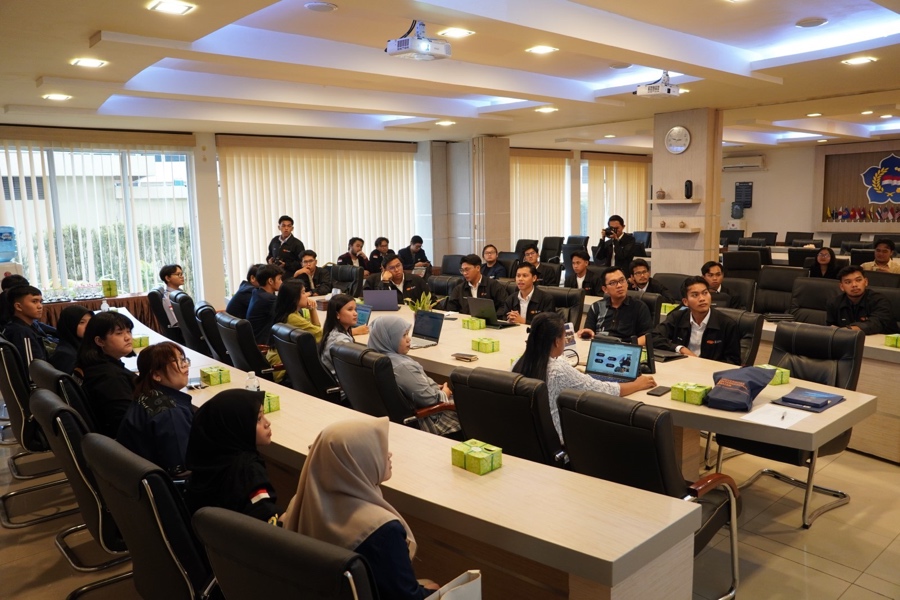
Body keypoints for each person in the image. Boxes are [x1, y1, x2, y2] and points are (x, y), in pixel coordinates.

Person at [282, 418, 440, 600]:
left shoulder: (300, 503)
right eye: (379, 449)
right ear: (357, 460)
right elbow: (406, 597)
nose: (389, 454)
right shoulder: (382, 529)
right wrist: (433, 591)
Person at [513, 312, 655, 444]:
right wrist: (638, 384)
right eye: (564, 337)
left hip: (528, 441)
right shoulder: (558, 370)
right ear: (557, 341)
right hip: (559, 443)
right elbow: (603, 390)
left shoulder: (519, 363)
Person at [185, 389, 280, 522]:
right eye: (258, 419)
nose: (267, 422)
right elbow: (268, 520)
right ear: (236, 426)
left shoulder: (205, 462)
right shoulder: (248, 469)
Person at [367, 317, 461, 436]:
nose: (409, 339)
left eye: (408, 334)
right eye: (403, 335)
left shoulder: (374, 358)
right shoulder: (403, 367)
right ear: (389, 338)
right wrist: (445, 393)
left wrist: (427, 385)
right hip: (431, 419)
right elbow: (430, 400)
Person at [116, 342, 192, 476]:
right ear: (156, 375)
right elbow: (182, 469)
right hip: (168, 482)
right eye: (177, 361)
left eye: (183, 359)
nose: (185, 365)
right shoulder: (170, 413)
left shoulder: (146, 395)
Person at [652, 276, 742, 365]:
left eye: (705, 293)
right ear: (685, 302)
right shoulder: (677, 317)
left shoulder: (727, 324)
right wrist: (680, 349)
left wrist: (705, 365)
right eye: (695, 295)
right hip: (682, 367)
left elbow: (733, 362)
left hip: (710, 371)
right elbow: (653, 337)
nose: (702, 299)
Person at [77, 311, 137, 437]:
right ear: (100, 341)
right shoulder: (111, 377)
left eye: (128, 331)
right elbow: (127, 422)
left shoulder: (94, 364)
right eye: (119, 333)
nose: (127, 337)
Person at [578, 267, 653, 345]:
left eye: (622, 280)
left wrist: (629, 347)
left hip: (626, 348)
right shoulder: (596, 307)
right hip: (600, 347)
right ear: (605, 289)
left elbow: (646, 336)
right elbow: (589, 331)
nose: (619, 285)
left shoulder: (639, 307)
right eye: (613, 283)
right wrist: (587, 333)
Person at [266, 278, 322, 382]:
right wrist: (313, 309)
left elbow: (315, 331)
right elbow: (319, 334)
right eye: (303, 292)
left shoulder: (286, 313)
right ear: (294, 297)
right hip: (284, 371)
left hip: (282, 364)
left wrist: (311, 309)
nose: (307, 295)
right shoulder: (293, 318)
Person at [826, 265, 897, 334]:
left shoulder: (879, 300)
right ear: (842, 287)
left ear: (865, 282)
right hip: (848, 340)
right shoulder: (834, 303)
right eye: (848, 282)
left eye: (858, 280)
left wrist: (846, 330)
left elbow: (876, 323)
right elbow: (831, 328)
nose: (854, 285)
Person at [2, 285, 58, 367]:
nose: (40, 306)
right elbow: (32, 368)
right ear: (18, 306)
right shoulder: (22, 332)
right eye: (34, 301)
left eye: (40, 302)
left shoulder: (25, 326)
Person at [319, 294, 368, 381]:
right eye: (350, 309)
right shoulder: (341, 341)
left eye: (355, 309)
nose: (355, 313)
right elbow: (351, 371)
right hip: (342, 385)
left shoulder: (334, 332)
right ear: (337, 314)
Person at [49, 305, 92, 374]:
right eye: (82, 322)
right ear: (70, 325)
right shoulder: (65, 355)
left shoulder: (84, 344)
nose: (88, 326)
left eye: (90, 321)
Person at [246, 264, 283, 344]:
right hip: (263, 345)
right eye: (279, 279)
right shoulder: (269, 299)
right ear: (270, 281)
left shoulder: (257, 293)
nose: (281, 282)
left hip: (254, 340)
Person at [156, 264, 184, 328]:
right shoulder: (168, 298)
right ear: (167, 278)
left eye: (181, 274)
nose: (182, 277)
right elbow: (177, 322)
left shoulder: (179, 293)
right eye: (178, 274)